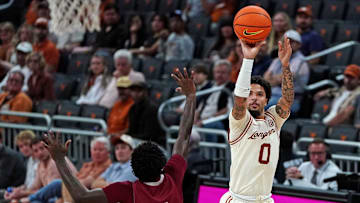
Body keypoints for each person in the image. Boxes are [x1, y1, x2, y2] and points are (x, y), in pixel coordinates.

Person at [42, 67, 196, 203]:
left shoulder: (127, 190)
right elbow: (183, 137)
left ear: (134, 171)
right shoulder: (173, 177)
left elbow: (81, 197)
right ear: (163, 164)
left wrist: (59, 159)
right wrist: (191, 97)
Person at [220, 35, 293, 203]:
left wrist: (285, 65)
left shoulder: (274, 118)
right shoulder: (240, 121)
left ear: (267, 100)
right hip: (240, 200)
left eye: (259, 94)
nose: (253, 98)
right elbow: (238, 99)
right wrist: (248, 60)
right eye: (249, 94)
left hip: (265, 199)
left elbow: (287, 99)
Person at [4, 136, 77, 202]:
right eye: (36, 151)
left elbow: (48, 192)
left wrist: (22, 194)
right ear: (33, 153)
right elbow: (35, 187)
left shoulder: (54, 162)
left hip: (71, 196)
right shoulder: (40, 165)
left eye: (42, 148)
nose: (40, 153)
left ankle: (26, 200)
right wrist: (17, 190)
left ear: (48, 148)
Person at [264, 30, 309, 114]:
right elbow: (266, 79)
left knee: (260, 107)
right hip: (272, 95)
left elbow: (285, 79)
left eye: (292, 42)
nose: (288, 44)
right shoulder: (278, 59)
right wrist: (276, 79)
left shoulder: (300, 60)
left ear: (299, 45)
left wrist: (273, 79)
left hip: (290, 101)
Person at [128, 81, 165, 146]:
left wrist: (129, 138)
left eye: (139, 91)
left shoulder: (151, 109)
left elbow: (150, 135)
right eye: (133, 91)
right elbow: (131, 130)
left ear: (145, 92)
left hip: (153, 144)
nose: (135, 94)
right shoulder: (132, 108)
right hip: (137, 141)